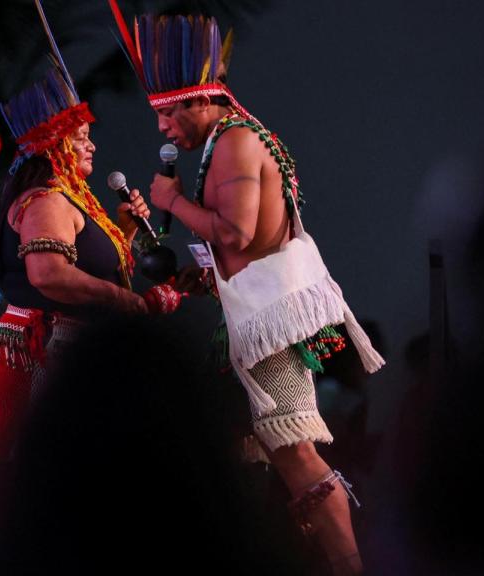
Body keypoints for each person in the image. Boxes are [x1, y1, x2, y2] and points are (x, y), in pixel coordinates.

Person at [109, 7, 385, 574]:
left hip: (267, 328)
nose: (162, 128)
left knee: (295, 452)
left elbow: (234, 230)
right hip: (253, 320)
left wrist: (172, 203)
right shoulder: (225, 142)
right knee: (266, 452)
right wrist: (207, 278)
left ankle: (349, 566)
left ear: (201, 100)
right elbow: (250, 245)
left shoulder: (233, 142)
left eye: (167, 113)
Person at [0, 3, 172, 461]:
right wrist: (123, 300)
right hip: (43, 354)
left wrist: (123, 231)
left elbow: (86, 269)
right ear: (57, 146)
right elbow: (48, 275)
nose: (92, 145)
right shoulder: (46, 199)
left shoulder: (69, 198)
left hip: (67, 349)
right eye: (82, 137)